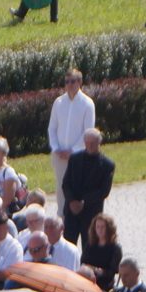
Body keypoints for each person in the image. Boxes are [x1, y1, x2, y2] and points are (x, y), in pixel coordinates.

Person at [46, 68, 94, 200]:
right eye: (66, 82)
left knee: (78, 187)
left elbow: (88, 131)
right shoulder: (58, 102)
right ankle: (63, 217)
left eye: (72, 81)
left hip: (79, 155)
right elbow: (52, 128)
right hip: (59, 155)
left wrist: (73, 151)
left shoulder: (87, 104)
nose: (69, 85)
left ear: (79, 82)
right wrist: (56, 148)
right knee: (61, 187)